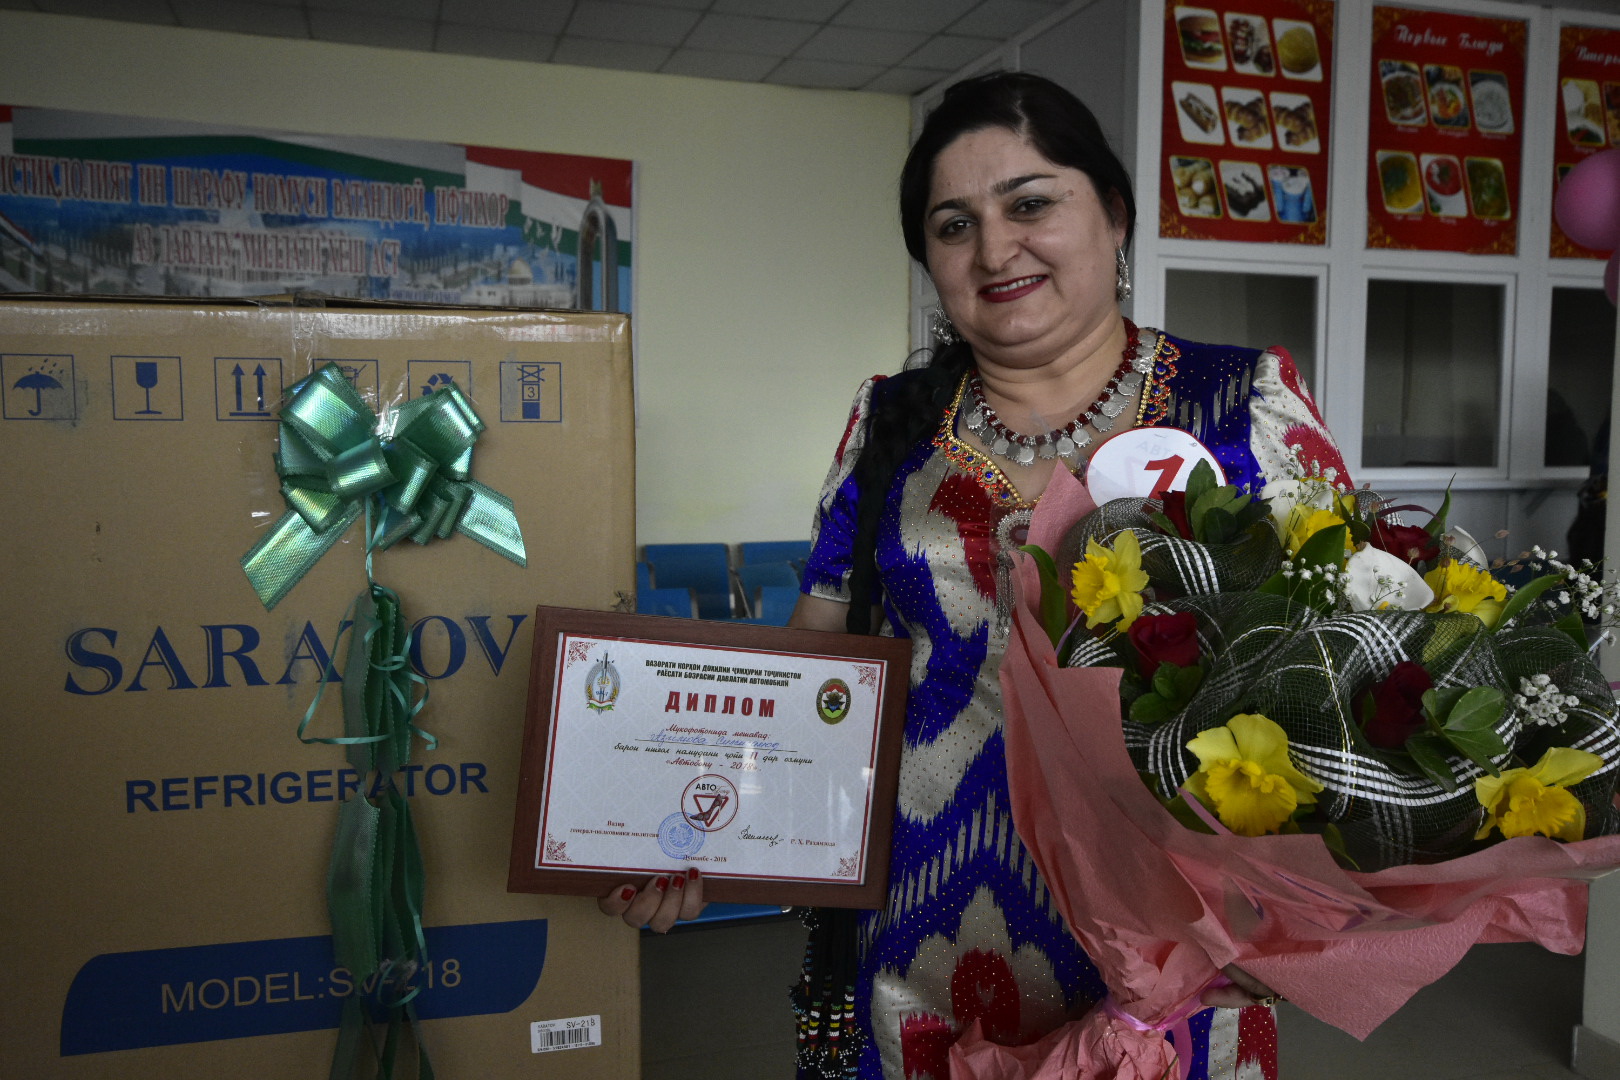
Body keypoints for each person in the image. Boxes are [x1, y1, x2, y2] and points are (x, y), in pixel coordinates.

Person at [781, 72, 1350, 1080]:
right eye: (954, 225)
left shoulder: (1241, 404)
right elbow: (812, 672)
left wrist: (1296, 903)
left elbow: (1351, 667)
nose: (995, 249)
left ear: (1114, 214)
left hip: (1175, 942)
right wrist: (692, 832)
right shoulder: (888, 425)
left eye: (1030, 203)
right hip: (918, 926)